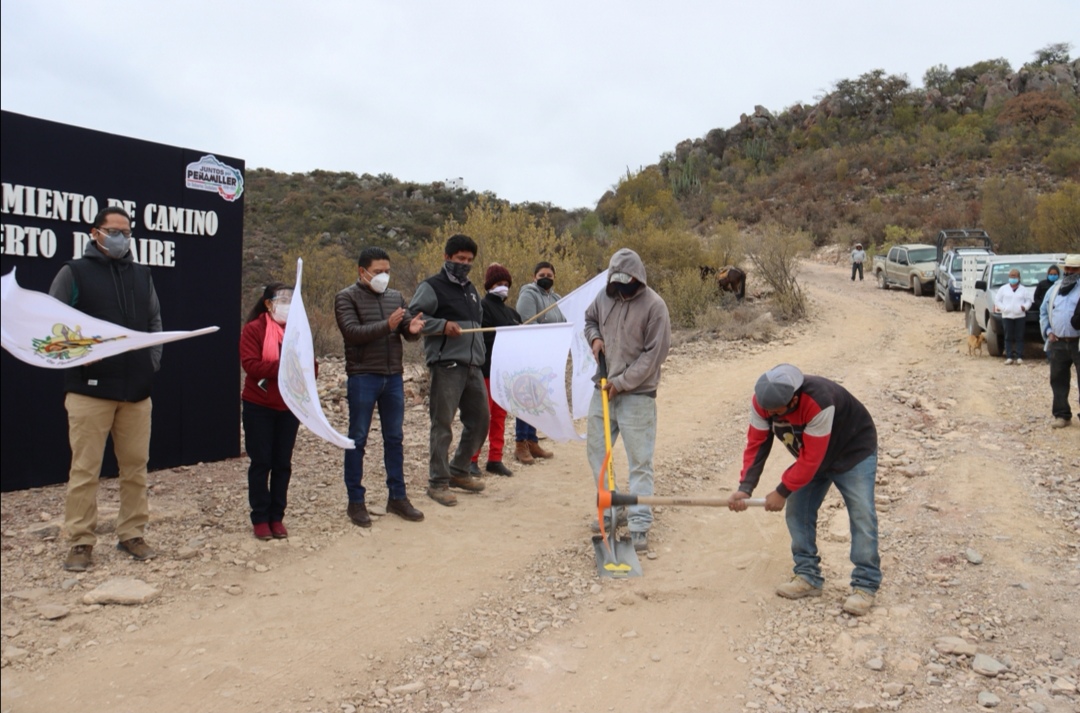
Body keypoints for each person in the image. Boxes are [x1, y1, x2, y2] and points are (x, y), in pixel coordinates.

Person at [49, 207, 162, 571]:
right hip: (89, 391)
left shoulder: (142, 275)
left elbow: (154, 320)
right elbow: (54, 322)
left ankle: (132, 533)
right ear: (95, 232)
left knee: (135, 467)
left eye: (126, 232)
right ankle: (80, 541)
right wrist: (76, 357)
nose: (121, 238)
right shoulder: (74, 272)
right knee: (85, 470)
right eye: (114, 231)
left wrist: (151, 362)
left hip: (135, 391)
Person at [727, 364, 881, 617]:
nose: (775, 417)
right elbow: (756, 444)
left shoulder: (819, 401)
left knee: (862, 514)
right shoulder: (762, 404)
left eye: (779, 412)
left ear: (794, 399)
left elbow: (811, 460)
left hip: (853, 453)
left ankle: (865, 584)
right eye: (770, 412)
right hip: (812, 455)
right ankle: (808, 576)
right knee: (797, 512)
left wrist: (782, 491)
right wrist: (745, 488)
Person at [584, 248, 671, 553]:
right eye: (616, 281)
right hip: (603, 391)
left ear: (638, 278)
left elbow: (654, 355)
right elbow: (590, 320)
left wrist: (621, 383)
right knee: (597, 453)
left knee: (640, 462)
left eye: (627, 281)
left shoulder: (655, 306)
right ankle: (611, 509)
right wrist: (594, 338)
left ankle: (638, 523)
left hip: (637, 395)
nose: (621, 287)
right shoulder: (603, 297)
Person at [334, 247, 427, 527]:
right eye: (378, 272)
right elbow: (352, 333)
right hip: (363, 376)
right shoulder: (345, 297)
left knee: (395, 439)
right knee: (357, 439)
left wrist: (411, 330)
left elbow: (406, 328)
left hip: (393, 377)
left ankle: (397, 496)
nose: (383, 276)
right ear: (362, 272)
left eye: (387, 271)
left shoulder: (395, 296)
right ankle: (355, 501)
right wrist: (387, 325)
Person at [408, 234, 489, 506]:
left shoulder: (472, 290)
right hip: (447, 365)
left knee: (480, 421)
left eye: (469, 260)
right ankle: (438, 482)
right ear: (447, 257)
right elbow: (413, 319)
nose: (464, 264)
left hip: (473, 366)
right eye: (459, 259)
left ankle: (459, 469)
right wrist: (442, 325)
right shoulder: (431, 286)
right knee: (442, 425)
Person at [239, 283, 306, 540]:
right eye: (283, 299)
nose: (288, 304)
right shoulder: (253, 330)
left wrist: (300, 369)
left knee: (282, 463)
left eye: (292, 300)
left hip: (288, 406)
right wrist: (286, 367)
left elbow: (310, 365)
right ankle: (260, 517)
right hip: (259, 406)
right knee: (261, 462)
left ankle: (277, 516)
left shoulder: (297, 332)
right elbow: (252, 365)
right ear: (268, 303)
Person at [467, 264, 522, 477]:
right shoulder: (481, 308)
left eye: (507, 284)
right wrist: (508, 333)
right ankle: (471, 459)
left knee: (499, 417)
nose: (504, 287)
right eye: (499, 284)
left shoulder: (512, 312)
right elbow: (482, 336)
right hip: (487, 370)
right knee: (482, 417)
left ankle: (495, 458)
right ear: (490, 285)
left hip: (505, 373)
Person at [513, 261, 565, 463]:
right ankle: (520, 443)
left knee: (537, 399)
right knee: (526, 398)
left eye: (550, 275)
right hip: (530, 352)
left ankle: (532, 440)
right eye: (542, 274)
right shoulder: (529, 293)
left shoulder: (557, 298)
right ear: (534, 276)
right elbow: (528, 322)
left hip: (549, 355)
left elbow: (562, 322)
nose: (546, 277)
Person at [1039, 254, 1080, 429]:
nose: (1069, 271)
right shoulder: (1055, 289)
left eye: (1074, 269)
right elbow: (1043, 311)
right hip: (1058, 342)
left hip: (1078, 342)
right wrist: (1048, 331)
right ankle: (1062, 415)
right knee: (1058, 379)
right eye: (1067, 268)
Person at [994, 267, 1032, 365]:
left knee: (1019, 336)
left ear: (1019, 277)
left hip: (1020, 316)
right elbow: (997, 300)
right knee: (1008, 336)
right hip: (1007, 316)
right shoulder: (1003, 289)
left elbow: (1029, 301)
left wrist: (1025, 307)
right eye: (1011, 276)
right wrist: (1004, 308)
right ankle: (1009, 356)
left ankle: (1019, 356)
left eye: (1015, 276)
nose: (1013, 278)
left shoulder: (1023, 289)